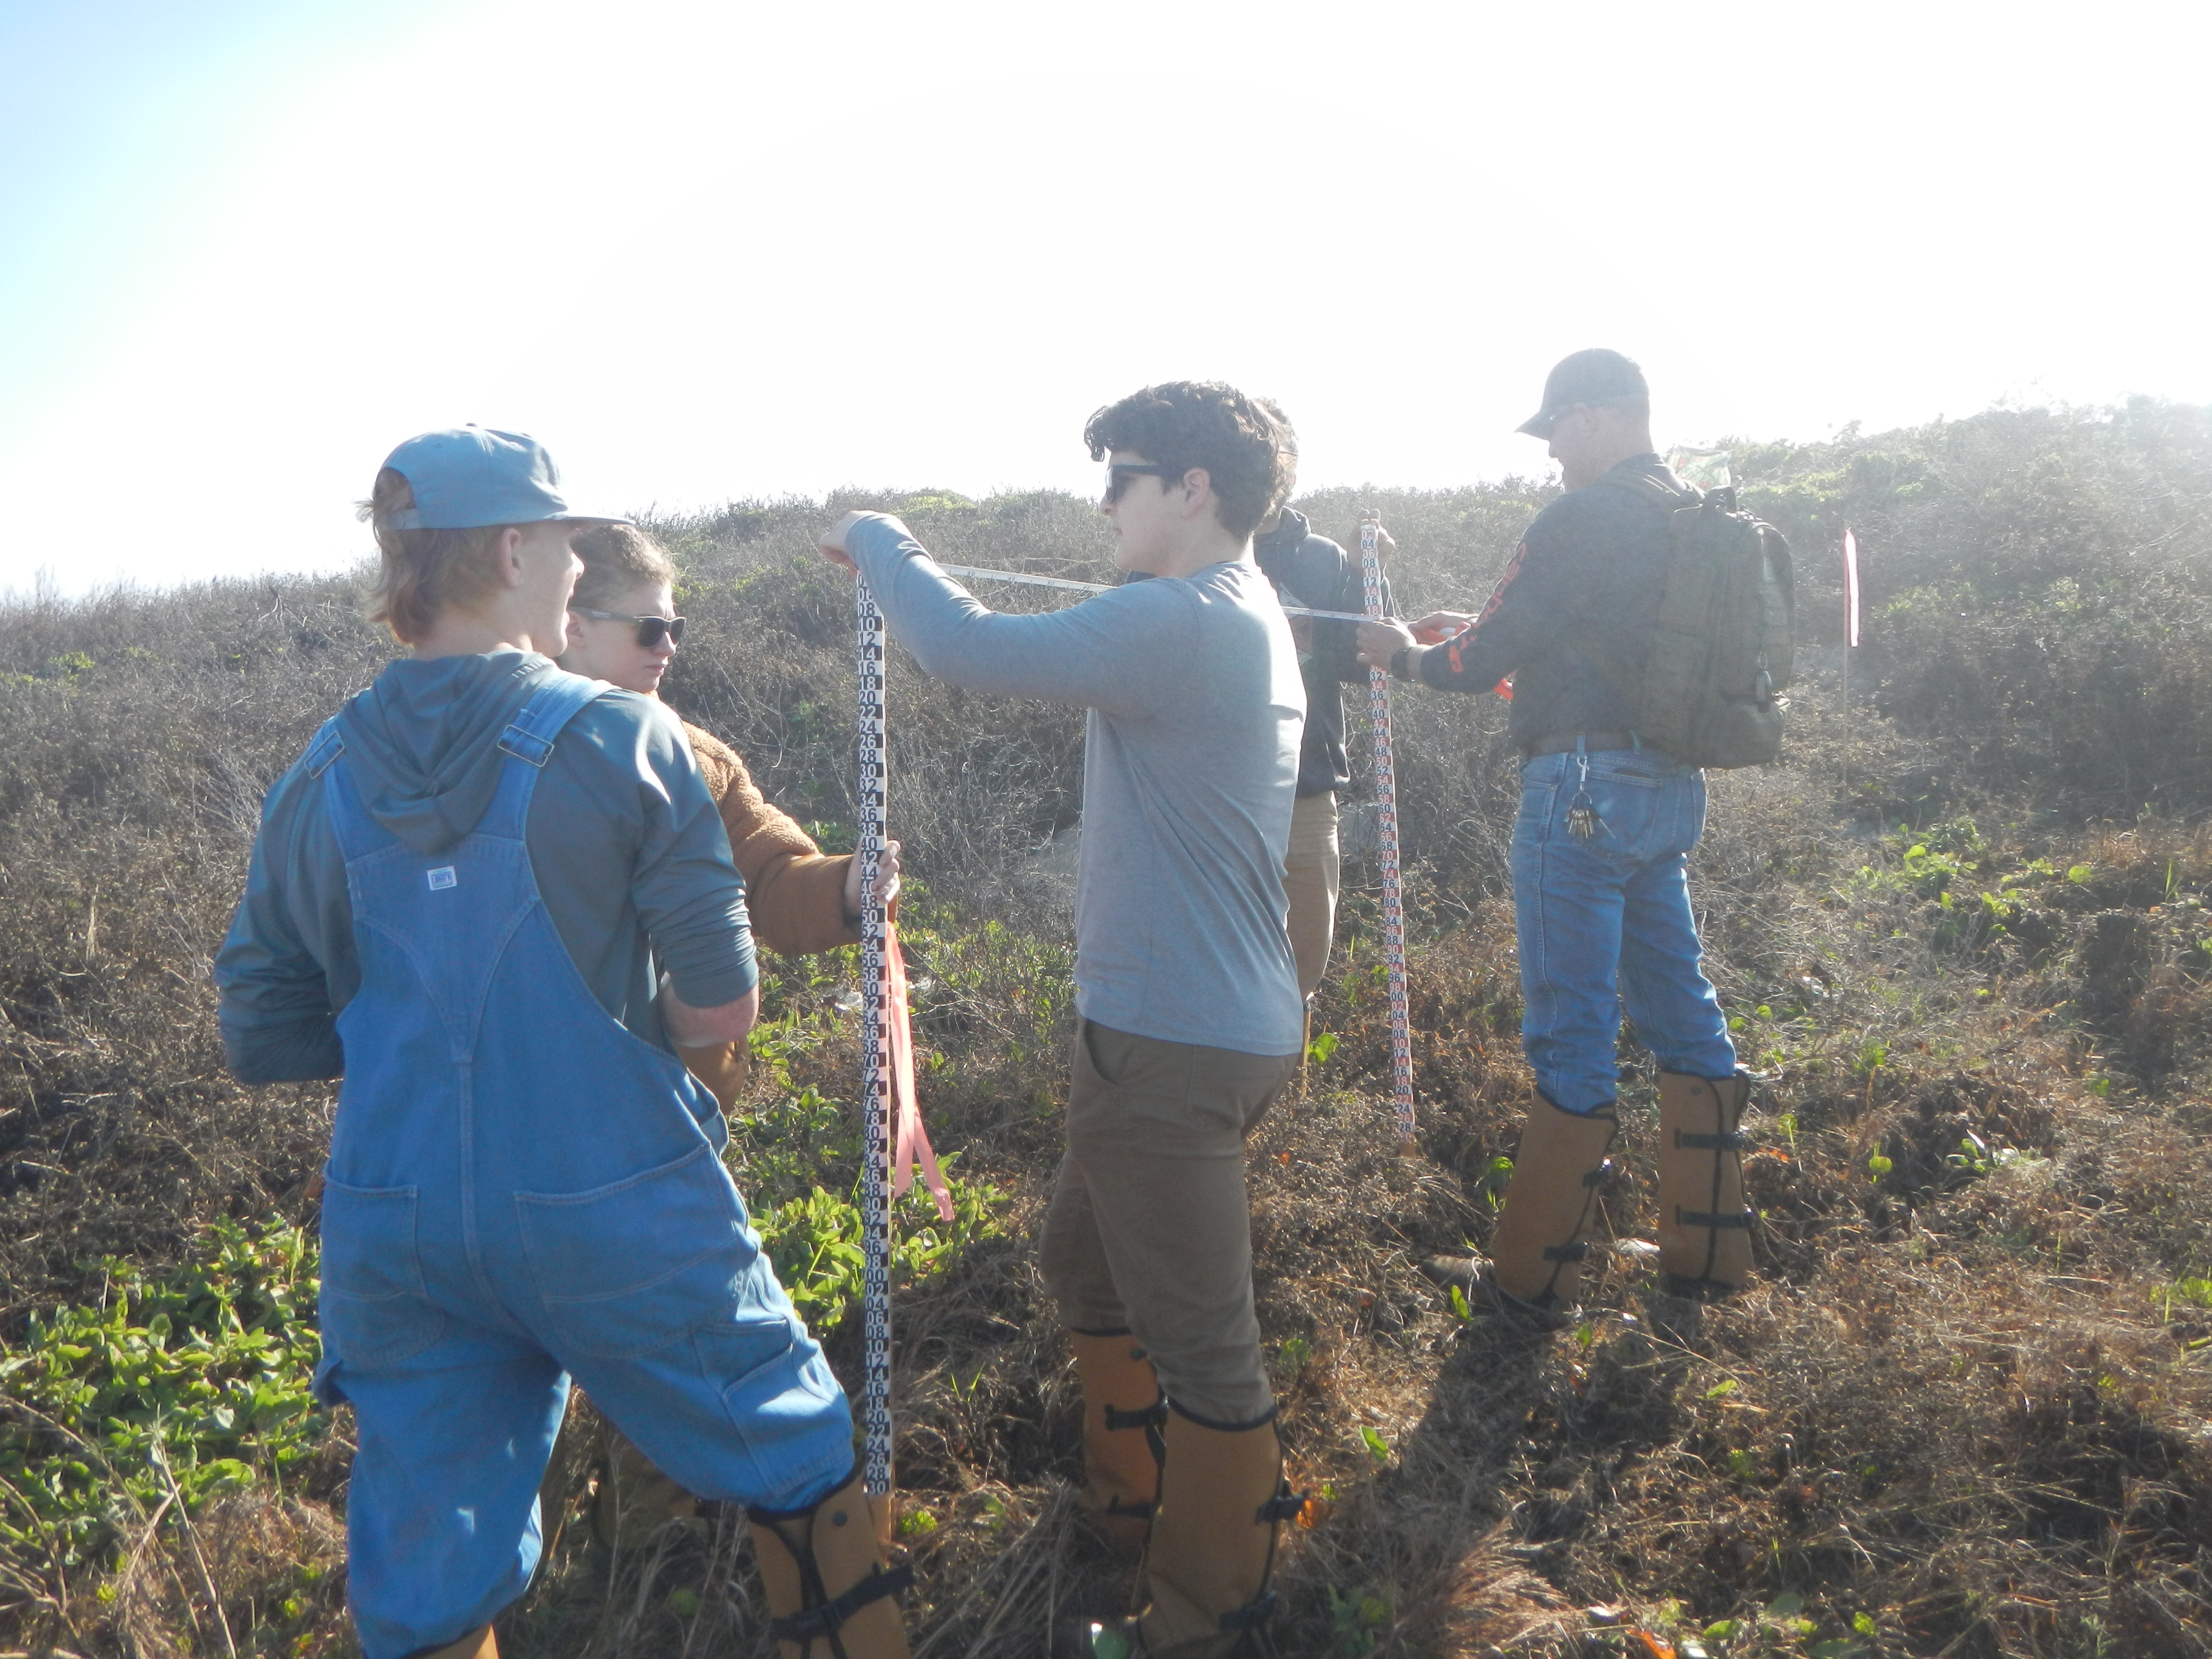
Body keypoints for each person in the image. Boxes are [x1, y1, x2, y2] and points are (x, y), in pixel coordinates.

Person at [214, 428, 909, 1659]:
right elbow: (719, 1009)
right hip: (614, 1195)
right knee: (791, 1447)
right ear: (518, 547)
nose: (578, 565)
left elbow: (262, 1036)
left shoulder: (312, 778)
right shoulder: (625, 740)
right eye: (567, 541)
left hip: (398, 1222)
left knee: (428, 1580)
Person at [817, 382, 1305, 1659]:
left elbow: (968, 650)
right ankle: (1124, 1508)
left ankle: (1207, 1615)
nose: (1104, 503)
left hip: (1171, 1044)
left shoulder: (1184, 618)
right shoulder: (1238, 612)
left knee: (1211, 1354)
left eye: (1124, 476)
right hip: (1180, 1031)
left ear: (1193, 490)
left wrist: (880, 538)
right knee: (1084, 1269)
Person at [1355, 350, 1752, 1318]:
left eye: (1559, 430)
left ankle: (1533, 1279)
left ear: (1601, 418)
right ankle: (1709, 1255)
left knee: (1570, 1023)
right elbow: (1571, 649)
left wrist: (1406, 658)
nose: (1552, 456)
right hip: (1665, 789)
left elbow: (1481, 657)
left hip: (1577, 789)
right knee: (1682, 1009)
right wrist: (1470, 640)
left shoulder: (1580, 518)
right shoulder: (1694, 516)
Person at [551, 521, 902, 1543]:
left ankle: (651, 1563)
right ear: (565, 626)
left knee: (666, 1338)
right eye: (647, 628)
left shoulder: (698, 758)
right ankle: (522, 1590)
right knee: (521, 1371)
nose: (668, 648)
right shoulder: (495, 758)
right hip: (540, 1117)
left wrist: (842, 887)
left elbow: (772, 872)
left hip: (669, 1117)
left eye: (677, 627)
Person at [1249, 407, 1392, 1004]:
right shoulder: (1180, 551)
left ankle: (1285, 1092)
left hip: (1308, 789)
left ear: (1290, 473)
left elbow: (1362, 665)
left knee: (1303, 967)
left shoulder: (1323, 558)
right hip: (1209, 789)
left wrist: (1368, 573)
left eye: (1271, 461)